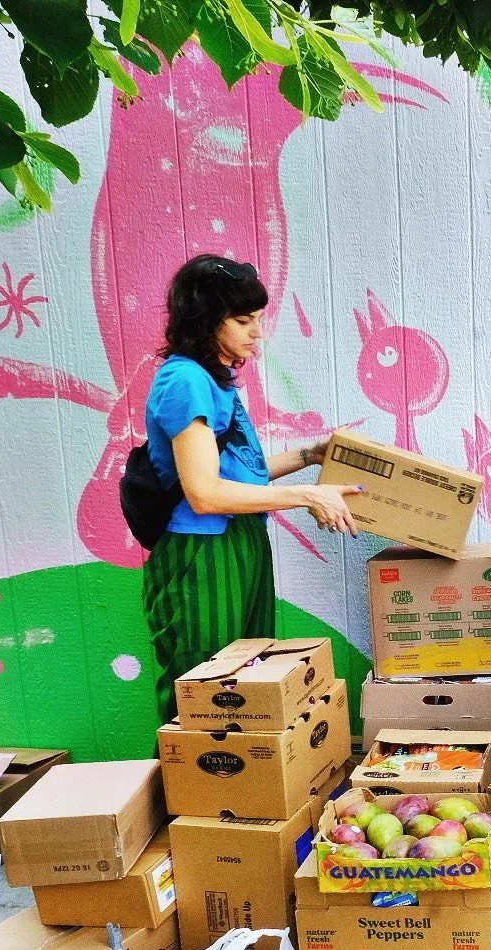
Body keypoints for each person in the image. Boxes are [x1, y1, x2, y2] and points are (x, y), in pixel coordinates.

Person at [140, 254, 362, 722]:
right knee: (203, 694)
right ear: (204, 322)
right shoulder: (184, 380)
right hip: (202, 552)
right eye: (243, 320)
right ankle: (190, 793)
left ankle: (242, 791)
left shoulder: (212, 382)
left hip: (240, 539)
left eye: (258, 319)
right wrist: (307, 495)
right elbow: (205, 494)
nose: (257, 332)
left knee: (248, 683)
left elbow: (241, 476)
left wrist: (311, 456)